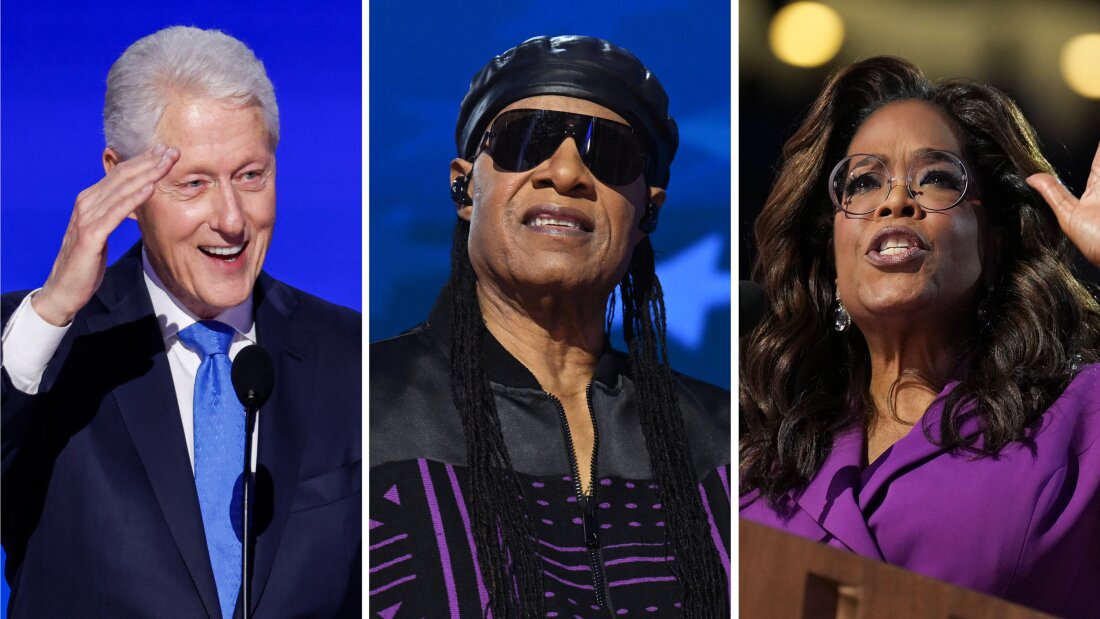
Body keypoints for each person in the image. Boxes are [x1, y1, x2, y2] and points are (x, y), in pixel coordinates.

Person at [0, 27, 360, 618]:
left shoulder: (347, 353)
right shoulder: (40, 350)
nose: (230, 219)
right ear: (123, 182)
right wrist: (54, 311)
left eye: (251, 176)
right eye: (193, 183)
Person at [369, 36, 731, 618]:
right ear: (465, 186)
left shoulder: (726, 445)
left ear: (649, 212)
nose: (565, 172)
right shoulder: (358, 406)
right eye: (526, 139)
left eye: (608, 154)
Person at [739, 56, 1100, 618]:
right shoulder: (756, 472)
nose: (894, 201)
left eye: (935, 178)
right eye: (862, 183)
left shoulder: (1079, 421)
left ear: (994, 243)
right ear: (830, 259)